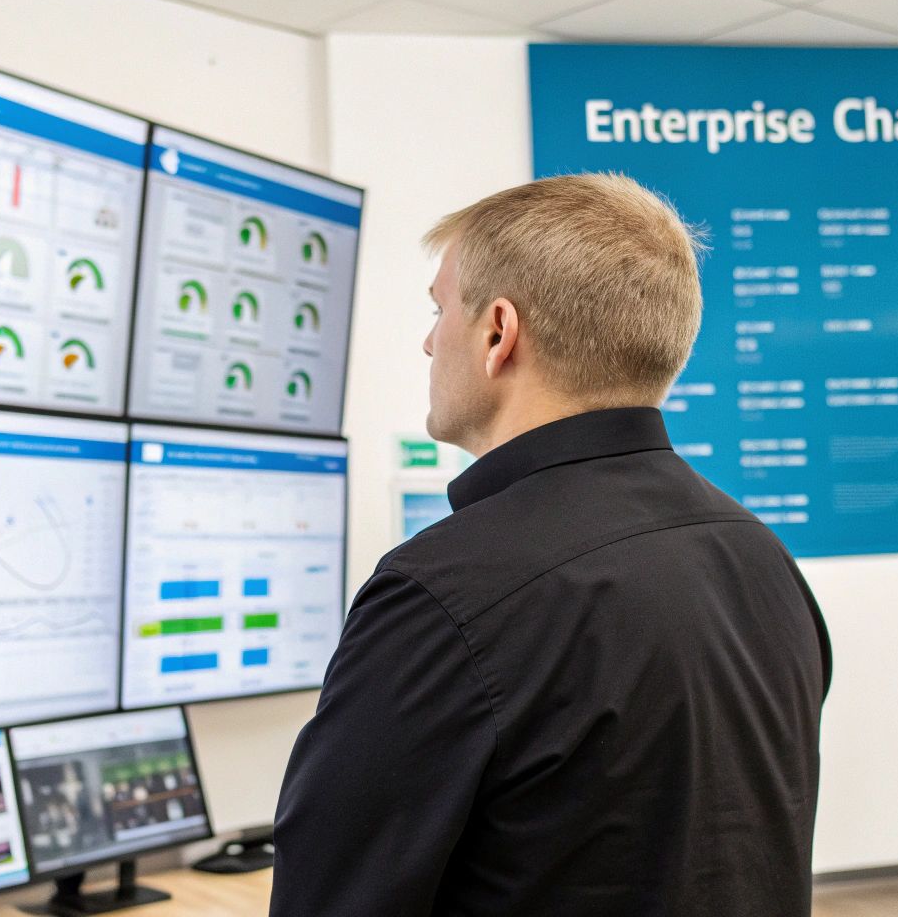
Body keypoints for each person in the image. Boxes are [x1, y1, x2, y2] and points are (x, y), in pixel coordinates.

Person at [269, 173, 831, 917]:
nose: (430, 340)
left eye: (440, 310)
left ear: (499, 332)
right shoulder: (761, 558)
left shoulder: (443, 592)